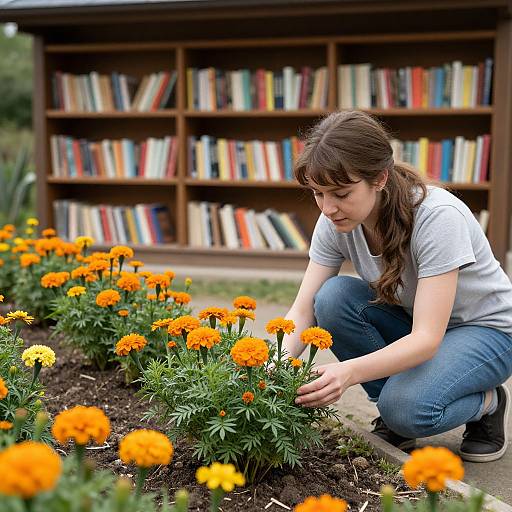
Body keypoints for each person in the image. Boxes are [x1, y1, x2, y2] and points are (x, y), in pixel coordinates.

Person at [282, 110, 512, 462]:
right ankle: (396, 412)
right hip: (418, 323)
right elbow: (303, 308)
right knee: (330, 298)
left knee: (405, 409)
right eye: (317, 193)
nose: (328, 208)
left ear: (379, 178)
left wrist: (347, 372)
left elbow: (426, 338)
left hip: (486, 332)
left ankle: (487, 402)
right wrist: (271, 367)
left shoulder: (437, 217)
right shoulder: (335, 219)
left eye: (341, 193)